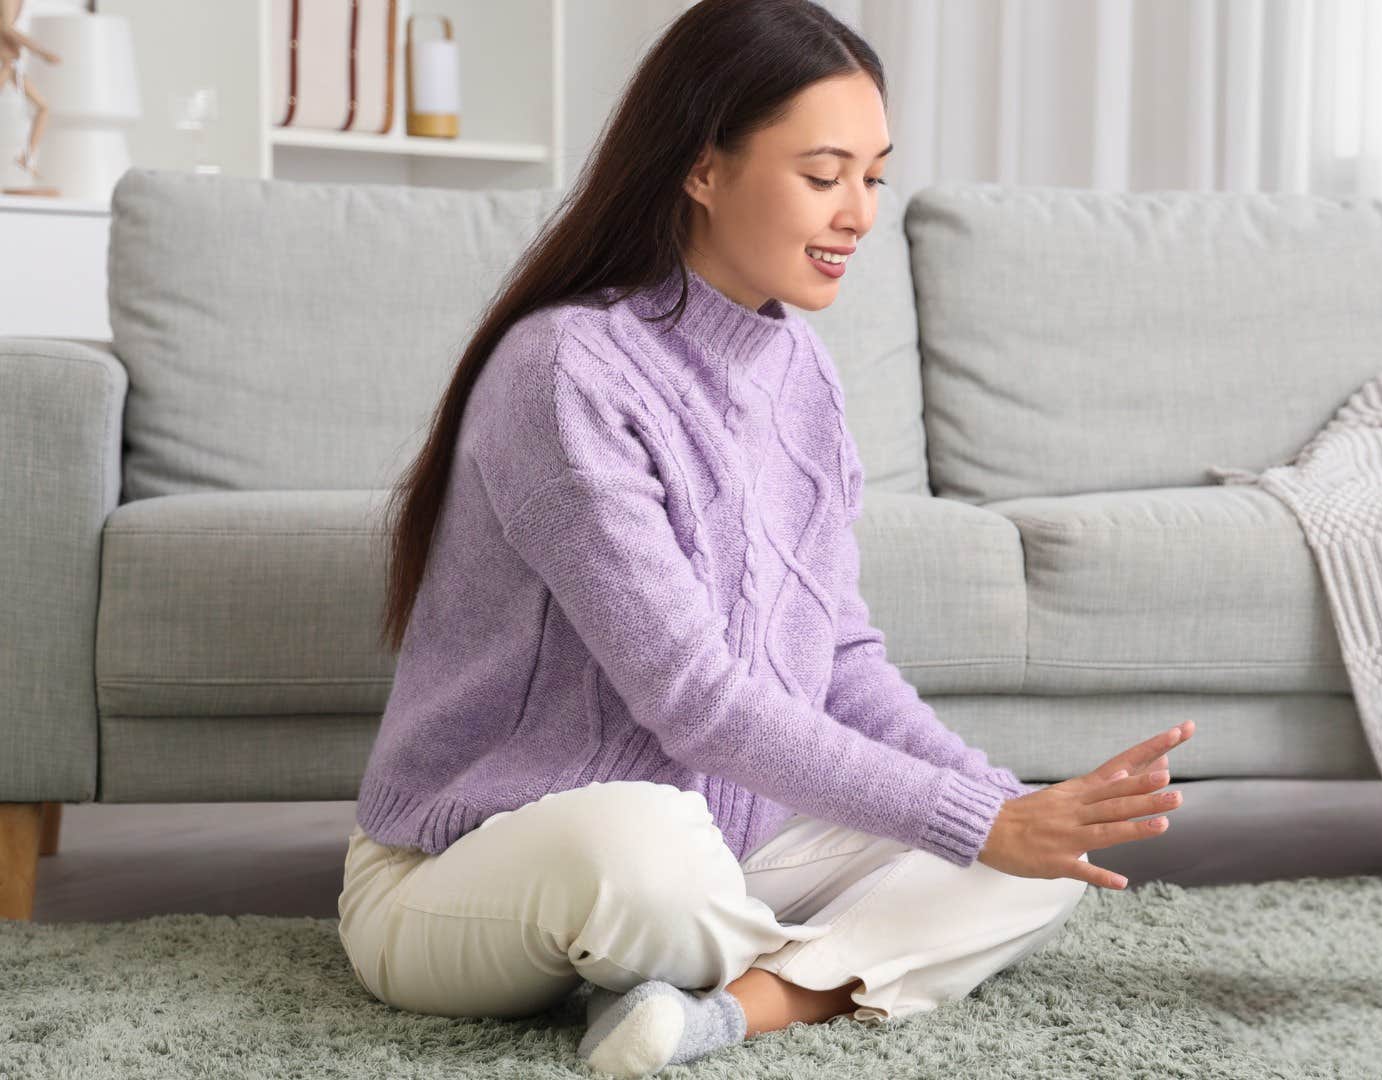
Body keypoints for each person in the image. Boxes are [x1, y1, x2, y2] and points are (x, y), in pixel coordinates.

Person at [335, 1, 1195, 1075]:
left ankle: (722, 1011)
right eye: (824, 174)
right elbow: (695, 699)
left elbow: (842, 659)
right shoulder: (565, 371)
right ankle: (778, 956)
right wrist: (973, 821)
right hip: (472, 868)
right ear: (703, 168)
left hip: (727, 851)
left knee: (1033, 867)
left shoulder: (804, 377)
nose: (859, 214)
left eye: (873, 177)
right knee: (653, 855)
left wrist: (1010, 808)